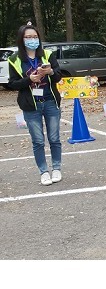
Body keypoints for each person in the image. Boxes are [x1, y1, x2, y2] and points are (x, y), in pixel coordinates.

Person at [7, 22, 63, 186]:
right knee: (38, 141)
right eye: (28, 37)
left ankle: (57, 168)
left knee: (54, 138)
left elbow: (58, 76)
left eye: (34, 36)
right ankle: (44, 171)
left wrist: (50, 71)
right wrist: (29, 79)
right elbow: (12, 84)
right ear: (22, 39)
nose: (32, 40)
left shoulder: (47, 54)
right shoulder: (14, 59)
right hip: (31, 105)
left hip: (50, 101)